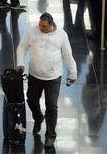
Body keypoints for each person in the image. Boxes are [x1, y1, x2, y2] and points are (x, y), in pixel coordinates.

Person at [17, 13, 77, 149]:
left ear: (51, 24)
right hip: (34, 75)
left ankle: (50, 136)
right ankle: (38, 117)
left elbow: (68, 54)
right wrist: (20, 63)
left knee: (51, 106)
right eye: (39, 25)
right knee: (31, 100)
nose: (41, 28)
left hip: (53, 77)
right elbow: (22, 47)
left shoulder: (61, 35)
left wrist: (73, 73)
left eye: (44, 26)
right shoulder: (32, 31)